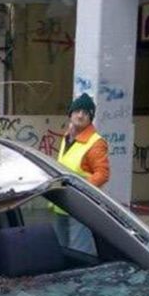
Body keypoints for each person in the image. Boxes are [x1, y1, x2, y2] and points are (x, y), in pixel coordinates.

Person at [52, 93, 110, 254]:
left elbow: (103, 173)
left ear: (90, 118)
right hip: (62, 202)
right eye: (77, 111)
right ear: (70, 114)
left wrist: (80, 189)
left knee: (80, 251)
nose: (80, 115)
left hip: (80, 203)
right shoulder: (68, 137)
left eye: (85, 113)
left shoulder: (95, 142)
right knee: (61, 249)